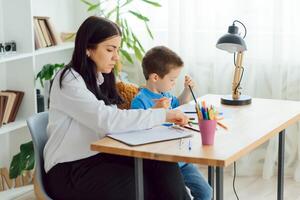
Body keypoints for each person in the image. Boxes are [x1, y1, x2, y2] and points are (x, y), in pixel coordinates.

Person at [43, 16, 191, 200]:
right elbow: (107, 121)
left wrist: (152, 114)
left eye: (117, 50)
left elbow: (116, 117)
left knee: (161, 161)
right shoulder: (69, 80)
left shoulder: (100, 78)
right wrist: (162, 115)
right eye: (109, 49)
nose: (116, 57)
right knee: (137, 186)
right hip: (70, 169)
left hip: (101, 156)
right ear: (88, 48)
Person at [131, 46, 213, 200]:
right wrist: (155, 111)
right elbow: (137, 131)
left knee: (205, 192)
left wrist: (187, 90)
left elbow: (180, 104)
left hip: (181, 158)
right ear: (155, 77)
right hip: (163, 163)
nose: (174, 83)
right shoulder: (139, 101)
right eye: (172, 79)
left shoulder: (166, 94)